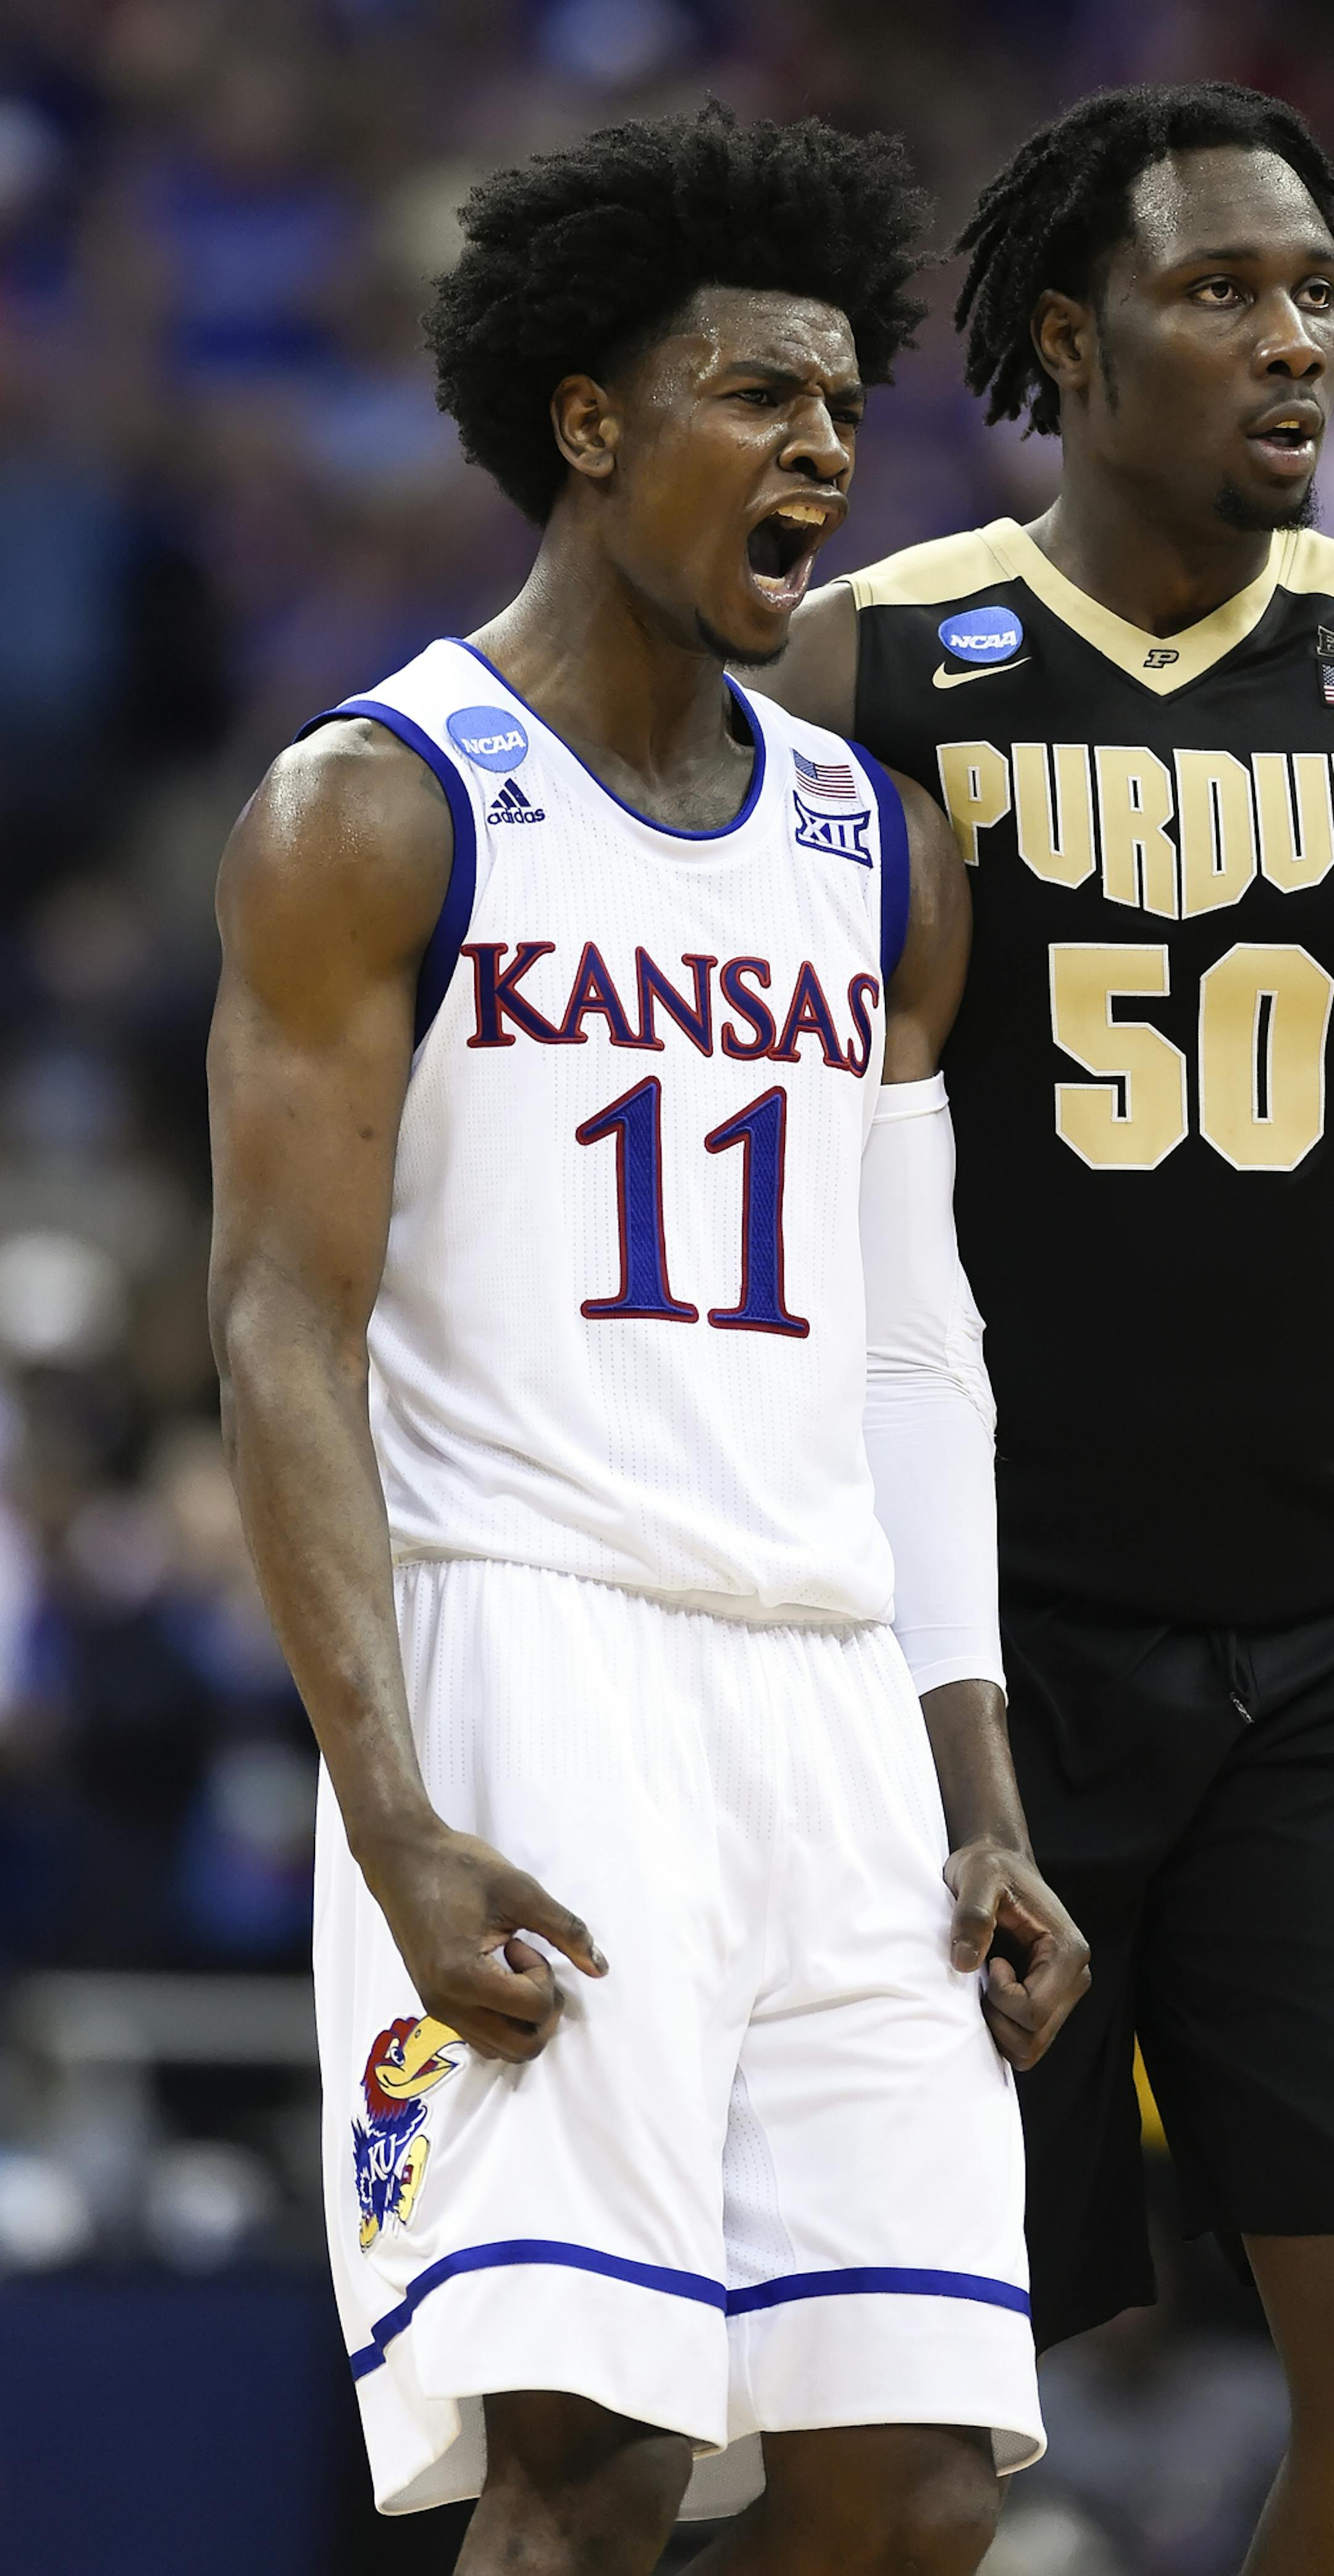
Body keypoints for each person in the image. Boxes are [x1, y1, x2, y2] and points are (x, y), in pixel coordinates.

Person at [208, 103, 1090, 2576]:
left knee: (913, 2489)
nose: (827, 445)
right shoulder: (377, 805)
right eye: (756, 393)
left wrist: (979, 1785)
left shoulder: (883, 850)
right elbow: (280, 1323)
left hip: (828, 1705)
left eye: (844, 403)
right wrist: (386, 1800)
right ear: (587, 423)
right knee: (583, 2467)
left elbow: (917, 1350)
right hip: (529, 1657)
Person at [755, 78, 1334, 2576]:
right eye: (1225, 294)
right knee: (901, 2476)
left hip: (1315, 1658)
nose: (1293, 342)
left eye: (1316, 293)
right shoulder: (866, 661)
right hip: (968, 1675)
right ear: (1072, 351)